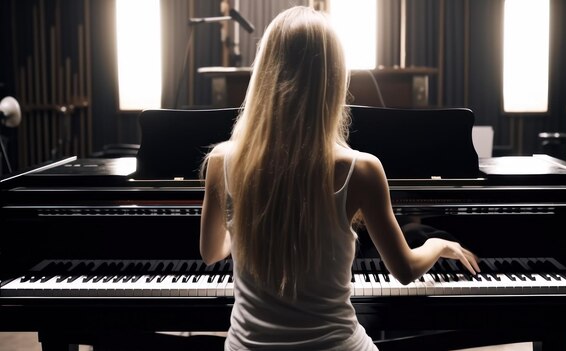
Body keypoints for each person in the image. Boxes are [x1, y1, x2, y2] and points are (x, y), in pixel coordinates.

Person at [199, 6, 480, 350]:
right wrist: (438, 245)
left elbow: (211, 252)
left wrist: (242, 226)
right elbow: (406, 270)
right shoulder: (360, 169)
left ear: (265, 74)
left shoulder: (222, 161)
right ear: (332, 78)